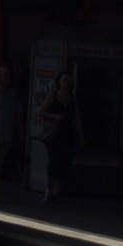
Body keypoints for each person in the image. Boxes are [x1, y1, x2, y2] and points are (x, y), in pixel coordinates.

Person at [37, 71, 84, 202]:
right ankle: (48, 190)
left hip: (67, 132)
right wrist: (54, 116)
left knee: (64, 161)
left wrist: (81, 136)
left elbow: (77, 118)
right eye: (65, 81)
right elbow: (41, 111)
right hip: (54, 132)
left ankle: (57, 191)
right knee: (53, 160)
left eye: (69, 81)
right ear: (59, 82)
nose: (67, 84)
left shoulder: (72, 99)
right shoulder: (53, 95)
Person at [0, 65, 24, 199]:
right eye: (1, 75)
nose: (3, 79)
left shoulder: (13, 95)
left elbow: (19, 115)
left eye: (6, 76)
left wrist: (21, 134)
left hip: (5, 136)